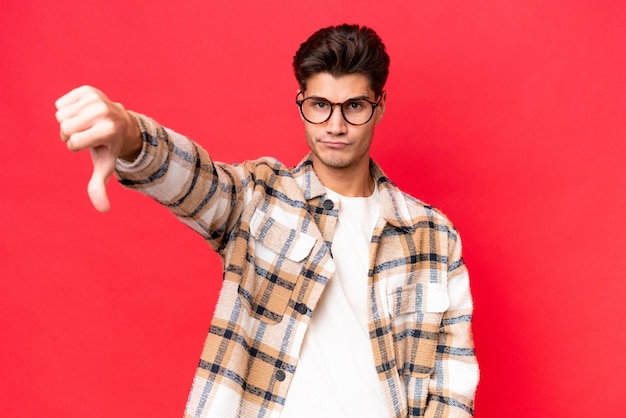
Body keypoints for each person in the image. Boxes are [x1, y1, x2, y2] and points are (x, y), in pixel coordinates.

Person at [55, 24, 478, 417]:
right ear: (301, 104)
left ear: (379, 106)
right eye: (319, 105)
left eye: (353, 106)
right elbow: (198, 182)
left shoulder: (433, 236)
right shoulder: (261, 196)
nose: (335, 124)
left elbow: (451, 385)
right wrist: (130, 133)